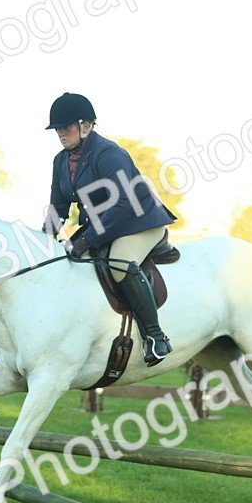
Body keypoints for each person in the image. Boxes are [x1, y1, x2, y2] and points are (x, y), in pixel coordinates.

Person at [42, 92, 177, 365]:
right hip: (106, 224)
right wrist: (44, 240)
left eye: (65, 127)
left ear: (86, 126)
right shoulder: (60, 161)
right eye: (57, 128)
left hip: (138, 220)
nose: (60, 133)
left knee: (118, 264)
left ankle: (156, 337)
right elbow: (58, 205)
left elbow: (123, 203)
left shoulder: (108, 153)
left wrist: (87, 240)